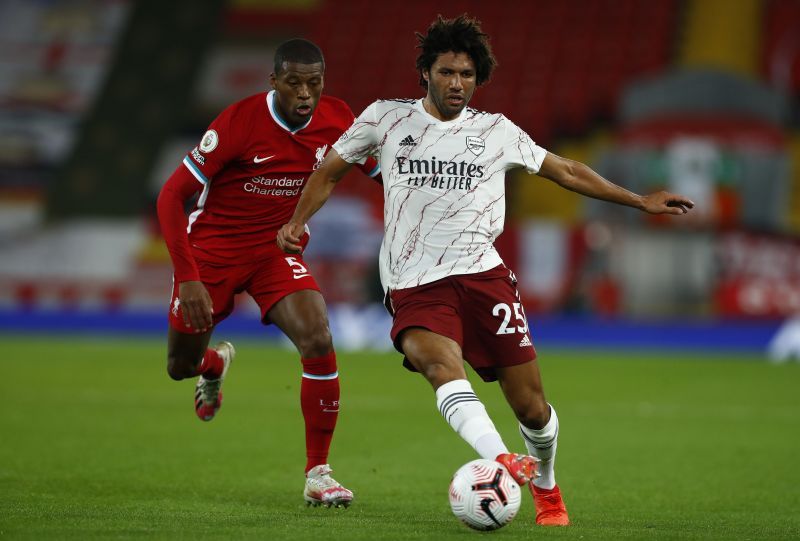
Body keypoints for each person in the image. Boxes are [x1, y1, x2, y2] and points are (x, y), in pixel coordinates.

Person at [278, 15, 696, 526]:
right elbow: (330, 171)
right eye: (448, 72)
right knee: (438, 366)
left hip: (484, 279)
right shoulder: (385, 119)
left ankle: (544, 483)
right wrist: (298, 222)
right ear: (425, 72)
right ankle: (500, 458)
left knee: (533, 410)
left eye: (468, 75)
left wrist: (639, 201)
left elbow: (565, 170)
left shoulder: (495, 131)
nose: (458, 83)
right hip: (415, 284)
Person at [157, 38, 380, 508]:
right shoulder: (237, 122)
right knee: (180, 367)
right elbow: (170, 198)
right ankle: (212, 365)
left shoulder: (339, 119)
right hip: (210, 255)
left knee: (318, 337)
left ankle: (318, 473)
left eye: (314, 83)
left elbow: (384, 171)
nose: (305, 93)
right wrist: (189, 275)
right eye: (294, 82)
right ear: (273, 81)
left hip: (273, 252)